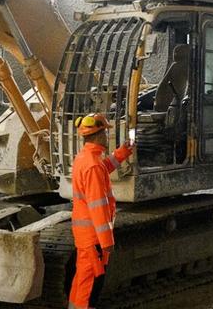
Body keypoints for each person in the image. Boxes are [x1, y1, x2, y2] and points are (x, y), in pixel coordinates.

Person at [69, 113, 135, 309]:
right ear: (98, 135)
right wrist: (106, 242)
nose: (107, 136)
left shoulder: (86, 158)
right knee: (90, 289)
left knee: (82, 281)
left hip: (85, 236)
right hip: (94, 238)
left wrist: (122, 152)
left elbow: (103, 168)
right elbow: (97, 207)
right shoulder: (93, 166)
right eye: (105, 132)